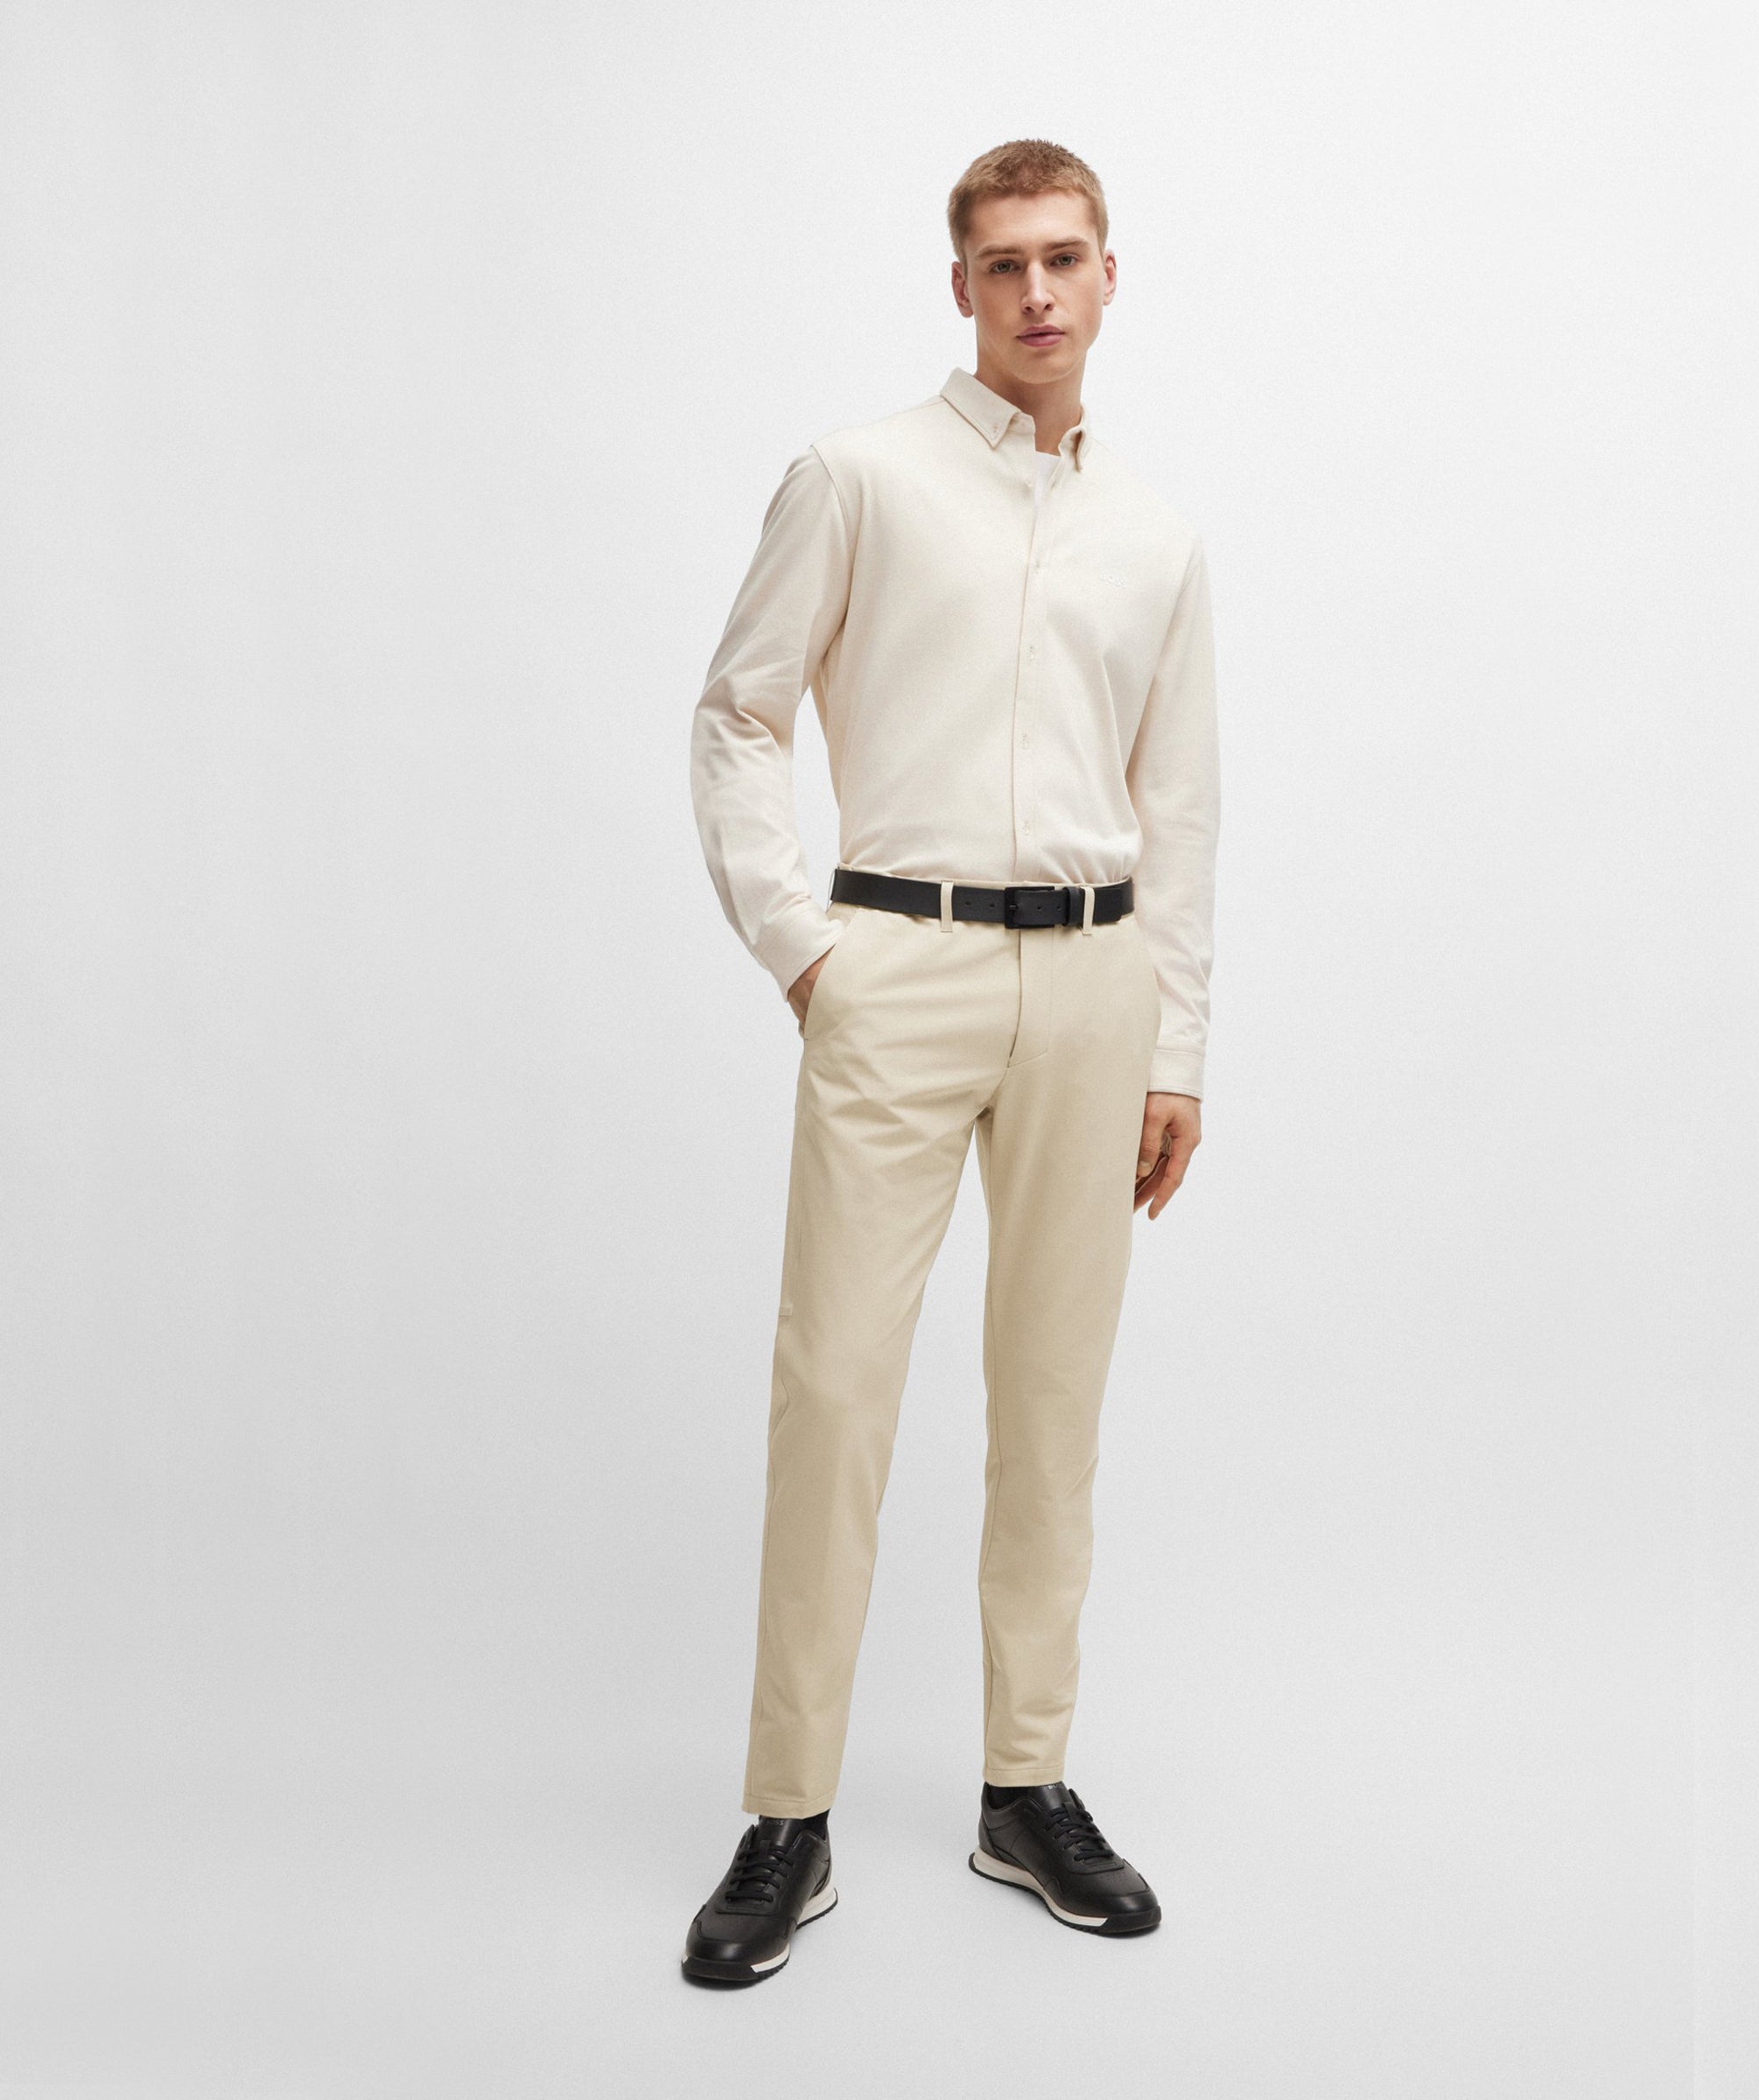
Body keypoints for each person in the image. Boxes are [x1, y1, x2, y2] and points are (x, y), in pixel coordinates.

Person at [681, 137, 1219, 1984]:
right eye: (1005, 264)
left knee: (1052, 1398)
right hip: (894, 967)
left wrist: (1176, 1043)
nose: (1038, 293)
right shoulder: (859, 478)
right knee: (835, 1386)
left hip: (1095, 982)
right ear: (963, 286)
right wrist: (805, 947)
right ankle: (788, 1815)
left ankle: (1025, 1787)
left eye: (1066, 258)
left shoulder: (1155, 536)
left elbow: (1180, 802)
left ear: (1111, 275)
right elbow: (741, 712)